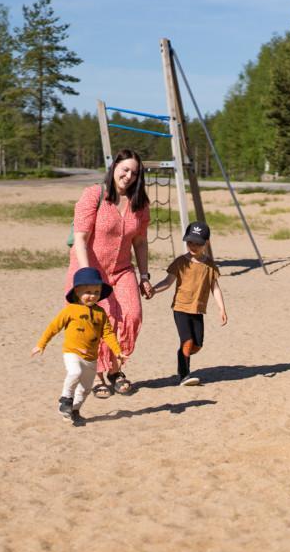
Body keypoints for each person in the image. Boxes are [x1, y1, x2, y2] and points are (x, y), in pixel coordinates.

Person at [68, 149, 153, 398]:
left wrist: (144, 276)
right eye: (125, 169)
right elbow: (81, 240)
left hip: (122, 270)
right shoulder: (94, 195)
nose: (128, 176)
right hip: (91, 272)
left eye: (134, 173)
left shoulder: (140, 204)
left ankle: (116, 368)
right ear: (114, 166)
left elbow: (140, 242)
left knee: (132, 315)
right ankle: (99, 377)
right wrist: (86, 275)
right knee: (99, 323)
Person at [31, 267, 127, 426]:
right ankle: (65, 399)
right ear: (77, 291)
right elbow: (53, 327)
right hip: (72, 352)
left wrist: (117, 351)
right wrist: (41, 345)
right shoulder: (70, 310)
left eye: (96, 292)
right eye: (88, 291)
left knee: (85, 389)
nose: (93, 295)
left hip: (91, 358)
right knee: (75, 372)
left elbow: (108, 334)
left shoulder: (100, 313)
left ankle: (73, 410)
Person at [149, 221, 228, 386]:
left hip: (198, 310)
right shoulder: (180, 262)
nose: (193, 245)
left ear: (206, 243)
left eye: (197, 243)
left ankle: (182, 355)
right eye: (190, 241)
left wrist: (222, 308)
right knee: (187, 341)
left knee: (197, 345)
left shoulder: (210, 265)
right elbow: (168, 281)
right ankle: (184, 374)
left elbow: (215, 288)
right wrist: (154, 290)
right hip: (181, 308)